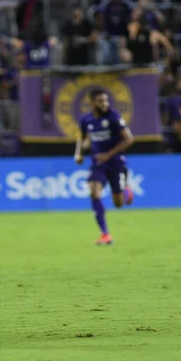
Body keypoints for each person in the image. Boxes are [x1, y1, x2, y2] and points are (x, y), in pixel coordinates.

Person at [74, 89, 134, 245]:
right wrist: (79, 153)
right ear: (92, 103)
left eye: (106, 101)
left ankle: (126, 188)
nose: (105, 104)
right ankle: (105, 234)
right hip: (98, 164)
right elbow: (82, 138)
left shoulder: (113, 117)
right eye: (101, 101)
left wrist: (108, 154)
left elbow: (129, 139)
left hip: (115, 163)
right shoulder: (86, 120)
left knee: (119, 204)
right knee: (94, 191)